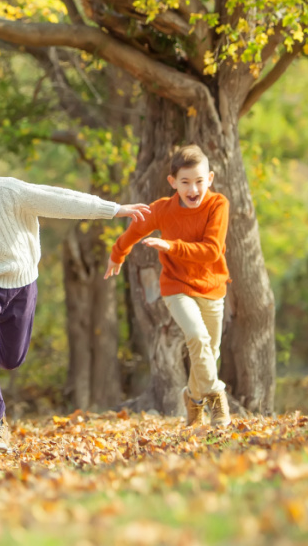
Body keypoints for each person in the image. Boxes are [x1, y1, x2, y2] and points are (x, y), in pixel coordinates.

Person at [0, 127, 150, 457]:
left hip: (22, 285)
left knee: (11, 358)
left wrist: (112, 209)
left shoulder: (10, 191)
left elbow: (60, 200)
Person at [106, 144, 231, 428]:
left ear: (209, 179)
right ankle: (215, 397)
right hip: (176, 286)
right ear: (173, 183)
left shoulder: (218, 205)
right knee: (197, 337)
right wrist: (117, 254)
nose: (193, 189)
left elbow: (211, 251)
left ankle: (193, 398)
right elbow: (136, 228)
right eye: (185, 182)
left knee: (211, 353)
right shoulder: (163, 209)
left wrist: (170, 245)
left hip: (212, 286)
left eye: (199, 181)